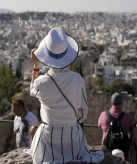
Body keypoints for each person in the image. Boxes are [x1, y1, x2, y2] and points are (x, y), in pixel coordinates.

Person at [25, 28, 104, 163]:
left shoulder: (41, 83)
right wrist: (70, 121)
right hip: (72, 138)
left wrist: (36, 65)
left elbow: (32, 89)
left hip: (47, 140)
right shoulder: (78, 79)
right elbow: (83, 111)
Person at [98, 92, 135, 160]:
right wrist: (130, 144)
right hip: (123, 152)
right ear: (122, 103)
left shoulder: (103, 115)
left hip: (106, 152)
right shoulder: (127, 117)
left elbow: (99, 125)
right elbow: (133, 130)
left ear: (111, 102)